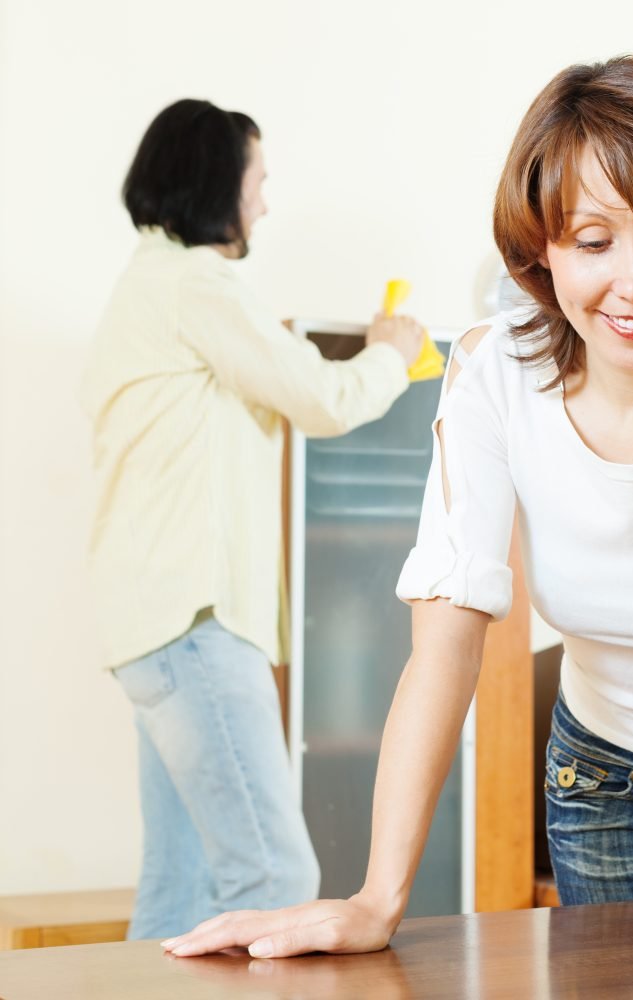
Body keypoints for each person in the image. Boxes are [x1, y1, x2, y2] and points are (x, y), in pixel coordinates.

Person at [162, 57, 633, 973]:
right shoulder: (492, 376)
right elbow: (444, 648)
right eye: (593, 242)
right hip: (612, 779)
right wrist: (375, 898)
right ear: (540, 248)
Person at [81, 98, 424, 939]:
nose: (264, 203)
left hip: (150, 628)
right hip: (193, 624)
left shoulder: (146, 287)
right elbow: (316, 395)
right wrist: (390, 348)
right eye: (257, 180)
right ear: (216, 182)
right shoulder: (196, 284)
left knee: (180, 886)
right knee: (275, 875)